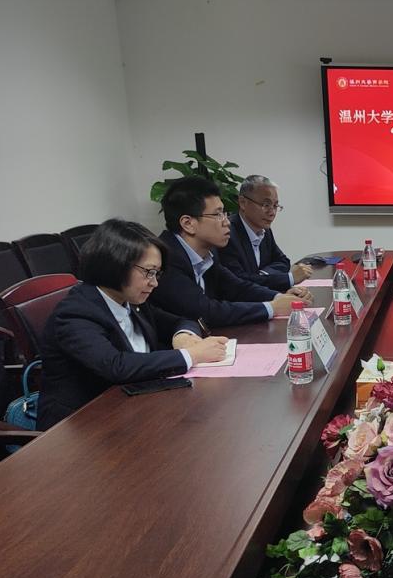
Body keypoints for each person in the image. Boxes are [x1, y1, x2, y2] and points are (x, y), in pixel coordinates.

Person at [37, 219, 229, 429]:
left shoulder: (131, 300)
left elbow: (181, 320)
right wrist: (192, 355)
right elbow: (116, 366)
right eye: (148, 272)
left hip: (134, 409)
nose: (154, 282)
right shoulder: (75, 313)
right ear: (116, 265)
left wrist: (183, 336)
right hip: (80, 427)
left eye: (157, 273)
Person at [150, 177, 307, 328]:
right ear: (188, 223)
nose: (227, 222)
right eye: (218, 214)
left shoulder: (207, 254)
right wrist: (272, 308)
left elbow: (237, 287)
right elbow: (205, 311)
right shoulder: (164, 258)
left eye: (224, 213)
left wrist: (279, 297)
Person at [219, 175, 313, 292]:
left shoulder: (264, 230)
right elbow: (239, 282)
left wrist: (262, 274)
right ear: (243, 203)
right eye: (266, 205)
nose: (272, 212)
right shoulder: (227, 233)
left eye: (275, 206)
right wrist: (289, 278)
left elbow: (283, 261)